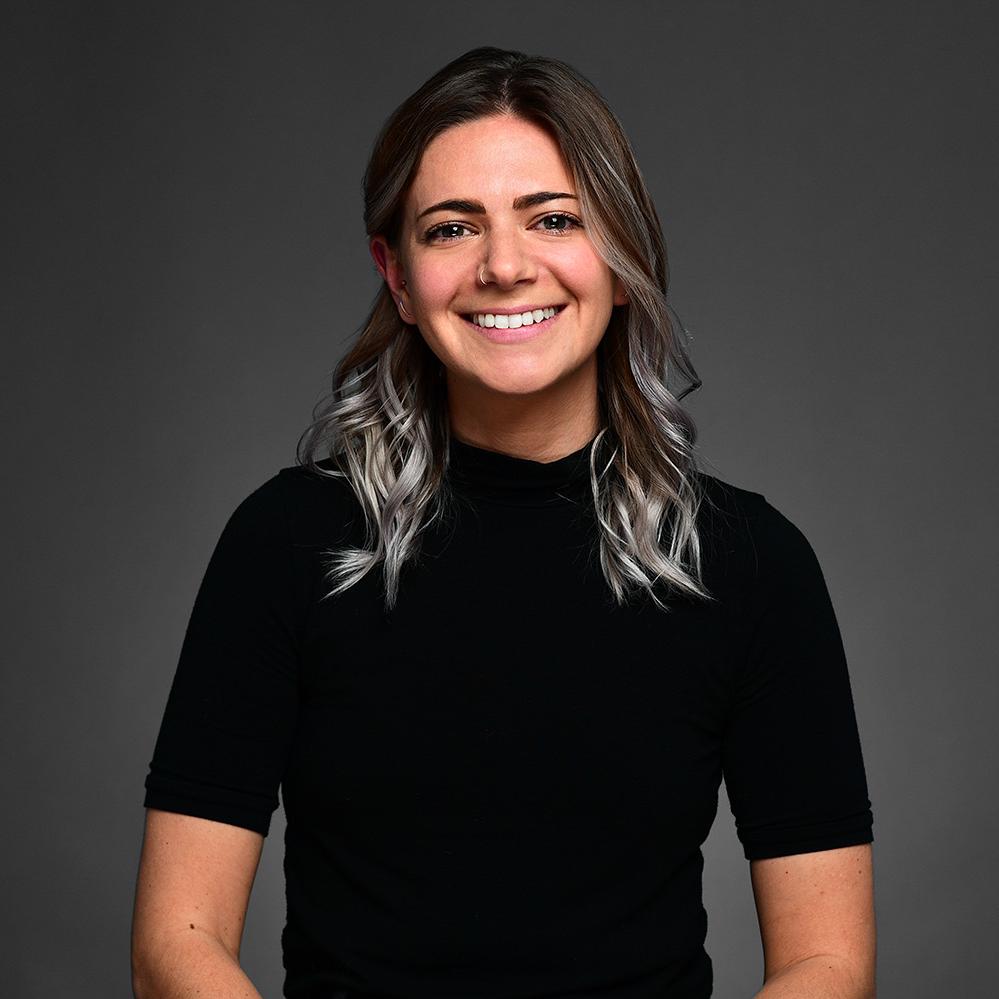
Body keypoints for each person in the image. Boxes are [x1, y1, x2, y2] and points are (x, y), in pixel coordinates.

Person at [131, 46, 876, 999]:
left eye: (554, 219)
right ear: (396, 276)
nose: (505, 266)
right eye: (451, 229)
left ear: (621, 256)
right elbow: (174, 945)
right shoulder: (282, 543)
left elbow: (828, 962)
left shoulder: (752, 564)